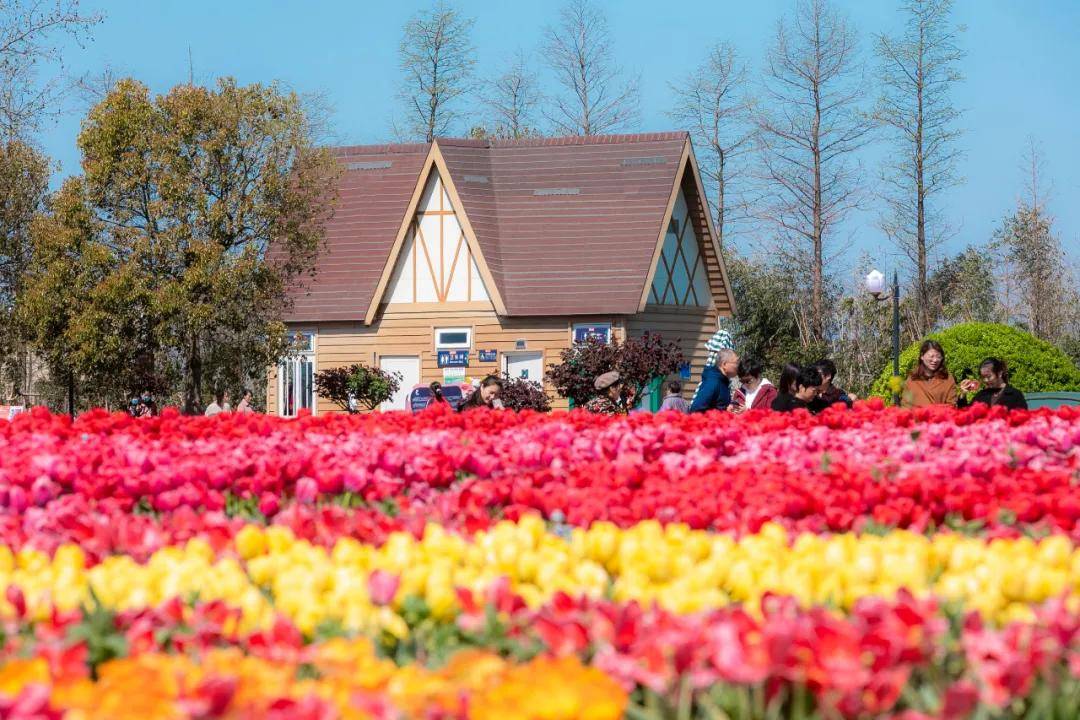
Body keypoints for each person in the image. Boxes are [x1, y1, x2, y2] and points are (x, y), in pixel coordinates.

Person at [902, 340, 958, 408]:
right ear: (922, 356)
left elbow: (952, 405)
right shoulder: (912, 379)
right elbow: (905, 405)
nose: (935, 360)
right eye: (931, 356)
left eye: (938, 357)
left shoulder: (947, 378)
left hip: (941, 417)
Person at [958, 358, 1028, 410]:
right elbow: (966, 415)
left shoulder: (1014, 395)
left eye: (989, 376)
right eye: (983, 377)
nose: (985, 380)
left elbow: (1023, 421)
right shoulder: (981, 396)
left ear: (999, 373)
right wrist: (962, 395)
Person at [690, 348, 739, 413]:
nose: (738, 366)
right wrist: (724, 411)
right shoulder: (713, 382)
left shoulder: (722, 381)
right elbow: (696, 409)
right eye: (736, 363)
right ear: (724, 364)